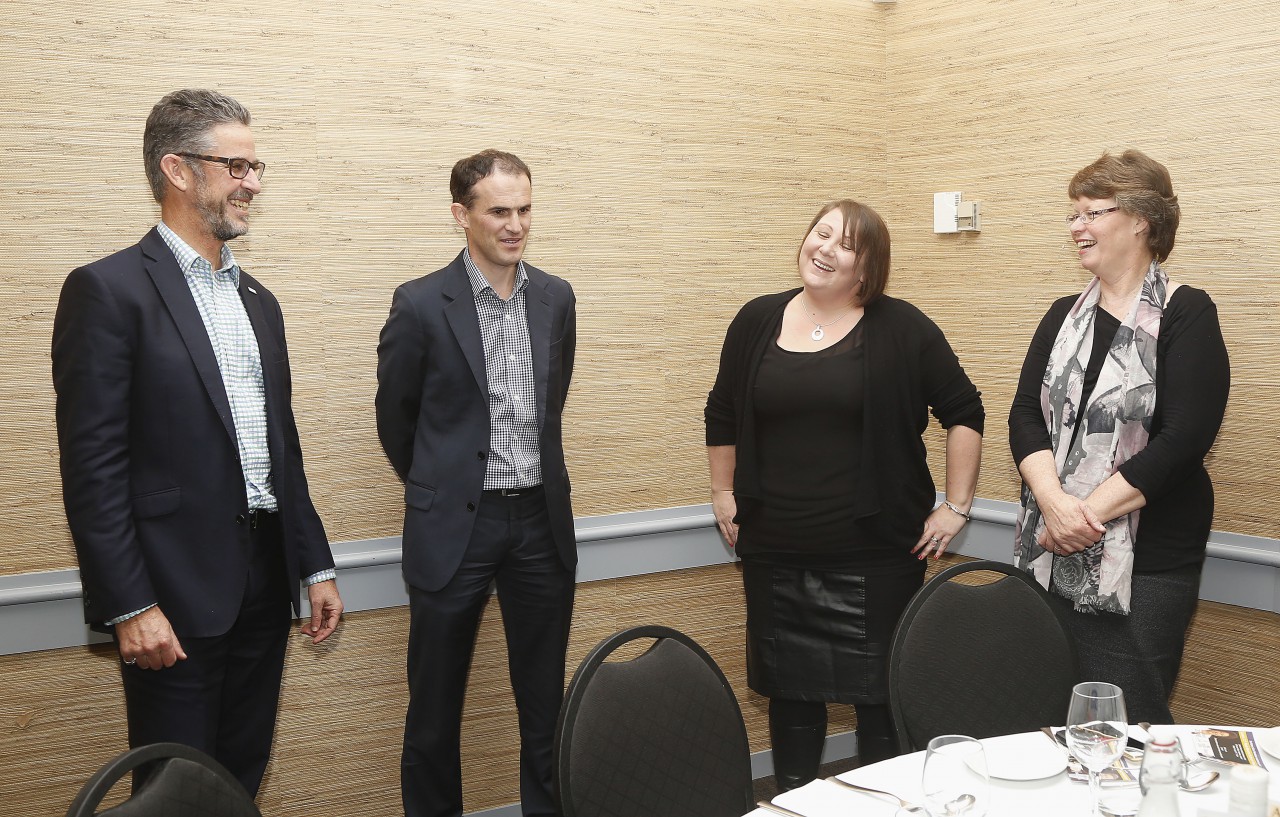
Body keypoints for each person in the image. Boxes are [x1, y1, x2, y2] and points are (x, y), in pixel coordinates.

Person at [51, 89, 343, 796]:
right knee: (174, 791)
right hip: (171, 595)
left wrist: (314, 563)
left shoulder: (258, 301)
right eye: (235, 166)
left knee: (241, 779)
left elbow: (281, 447)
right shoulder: (107, 291)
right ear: (177, 170)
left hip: (264, 582)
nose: (252, 183)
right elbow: (93, 468)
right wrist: (130, 605)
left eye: (255, 166)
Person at [704, 199, 984, 789]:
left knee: (879, 704)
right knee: (790, 699)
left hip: (876, 554)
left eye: (846, 244)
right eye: (820, 233)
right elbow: (722, 410)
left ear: (868, 267)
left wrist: (956, 506)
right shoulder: (756, 319)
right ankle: (795, 802)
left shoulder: (903, 328)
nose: (825, 248)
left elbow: (964, 410)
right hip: (776, 550)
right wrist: (723, 490)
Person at [376, 150, 577, 817]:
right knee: (434, 713)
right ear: (461, 215)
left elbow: (551, 404)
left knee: (546, 709)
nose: (515, 225)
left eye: (525, 210)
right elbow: (397, 419)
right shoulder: (419, 304)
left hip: (540, 524)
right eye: (499, 211)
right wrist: (441, 482)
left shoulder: (556, 298)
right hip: (455, 527)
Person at [1009, 149, 1230, 725]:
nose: (1076, 227)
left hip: (1149, 558)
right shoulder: (1063, 315)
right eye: (1073, 214)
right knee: (1051, 711)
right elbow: (1024, 417)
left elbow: (1183, 440)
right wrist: (1055, 506)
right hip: (1050, 544)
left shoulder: (1186, 312)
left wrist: (1080, 518)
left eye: (1092, 212)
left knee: (1127, 719)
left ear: (1141, 220)